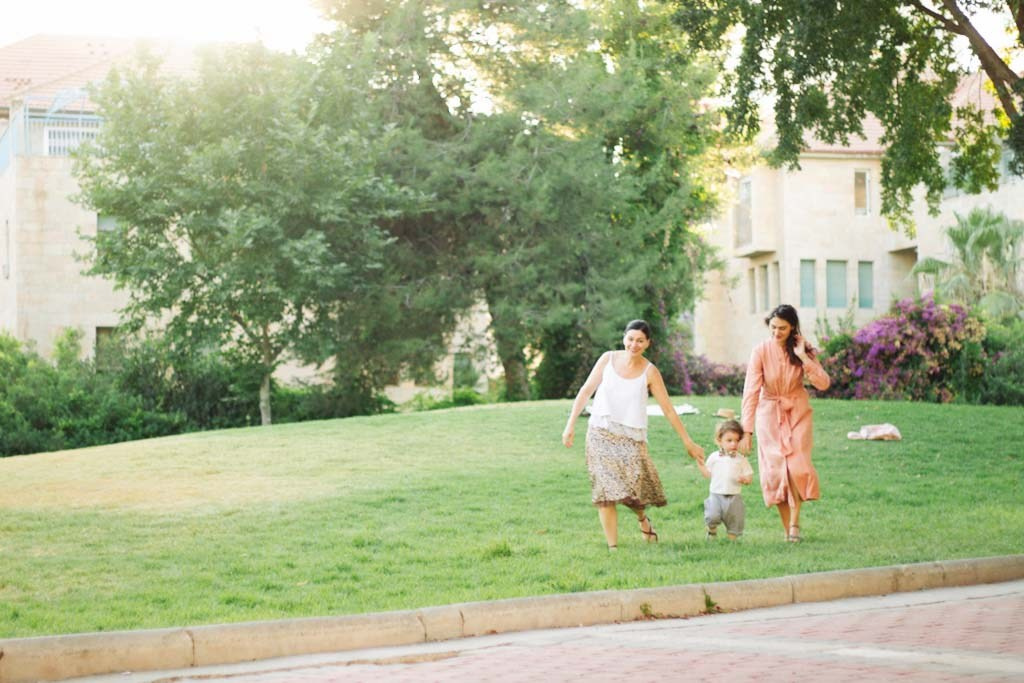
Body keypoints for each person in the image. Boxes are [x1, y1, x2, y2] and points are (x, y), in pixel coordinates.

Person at [562, 320, 705, 550]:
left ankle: (642, 519)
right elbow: (586, 390)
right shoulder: (607, 359)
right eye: (630, 339)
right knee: (605, 490)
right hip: (600, 431)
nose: (634, 344)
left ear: (647, 343)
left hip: (631, 437)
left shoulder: (650, 372)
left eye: (640, 341)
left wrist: (688, 441)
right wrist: (570, 425)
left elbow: (668, 409)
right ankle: (613, 548)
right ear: (624, 338)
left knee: (631, 490)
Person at [740, 304, 830, 543]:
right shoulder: (760, 351)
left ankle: (795, 522)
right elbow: (751, 392)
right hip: (769, 414)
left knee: (797, 467)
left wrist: (803, 356)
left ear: (792, 328)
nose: (776, 332)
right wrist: (747, 431)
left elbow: (823, 383)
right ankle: (789, 530)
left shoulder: (802, 350)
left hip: (797, 412)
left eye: (782, 328)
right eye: (773, 327)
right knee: (775, 471)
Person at [702, 419, 753, 541]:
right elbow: (707, 473)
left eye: (737, 440)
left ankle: (731, 542)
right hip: (716, 494)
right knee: (712, 515)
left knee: (735, 519)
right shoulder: (714, 457)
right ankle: (712, 530)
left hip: (734, 495)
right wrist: (700, 465)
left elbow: (749, 475)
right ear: (719, 441)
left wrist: (745, 479)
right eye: (729, 440)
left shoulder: (741, 459)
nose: (733, 444)